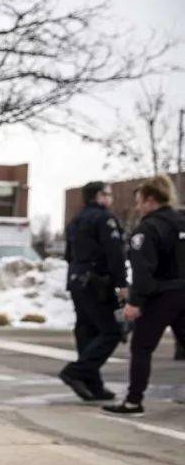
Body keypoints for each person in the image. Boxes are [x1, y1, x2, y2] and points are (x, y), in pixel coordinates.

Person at [103, 175, 185, 414]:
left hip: (161, 296)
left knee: (141, 348)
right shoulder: (182, 221)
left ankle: (133, 400)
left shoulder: (148, 229)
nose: (138, 207)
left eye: (139, 202)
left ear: (150, 199)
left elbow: (143, 270)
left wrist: (135, 302)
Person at [59, 181, 128, 401]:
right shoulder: (104, 219)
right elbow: (115, 253)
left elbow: (69, 254)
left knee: (87, 331)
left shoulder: (76, 220)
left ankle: (93, 383)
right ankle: (77, 372)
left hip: (77, 279)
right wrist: (122, 283)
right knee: (112, 331)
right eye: (108, 194)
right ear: (98, 196)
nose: (111, 199)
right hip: (97, 281)